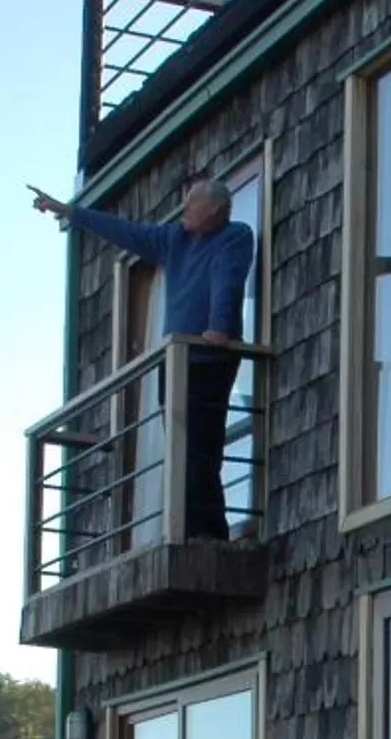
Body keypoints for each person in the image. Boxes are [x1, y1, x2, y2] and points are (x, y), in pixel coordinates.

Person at [28, 175, 254, 540]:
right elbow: (126, 231)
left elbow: (226, 279)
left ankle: (209, 534)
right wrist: (70, 211)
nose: (184, 208)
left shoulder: (234, 236)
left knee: (202, 448)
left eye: (193, 202)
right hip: (176, 361)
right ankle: (192, 529)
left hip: (209, 359)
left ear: (215, 209)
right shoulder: (175, 239)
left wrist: (219, 327)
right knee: (181, 448)